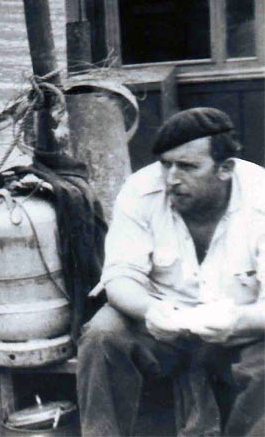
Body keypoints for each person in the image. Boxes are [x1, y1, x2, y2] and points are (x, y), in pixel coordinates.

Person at [77, 107, 265, 436]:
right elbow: (120, 278)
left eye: (187, 167)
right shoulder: (140, 190)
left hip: (241, 327)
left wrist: (237, 321)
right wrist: (153, 311)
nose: (171, 179)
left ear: (225, 168)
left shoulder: (261, 198)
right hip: (162, 323)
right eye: (166, 164)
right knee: (102, 334)